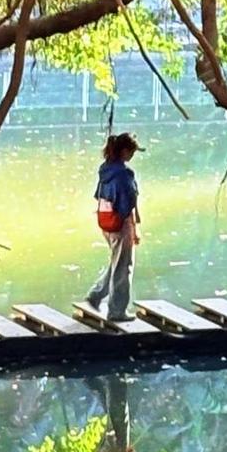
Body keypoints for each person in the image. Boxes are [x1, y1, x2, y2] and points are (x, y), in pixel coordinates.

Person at [85, 132, 142, 321]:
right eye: (131, 152)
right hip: (121, 224)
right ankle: (117, 311)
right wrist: (134, 229)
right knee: (124, 267)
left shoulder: (105, 170)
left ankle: (95, 296)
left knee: (117, 263)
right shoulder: (124, 174)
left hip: (105, 222)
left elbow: (98, 196)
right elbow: (128, 204)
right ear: (124, 151)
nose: (132, 156)